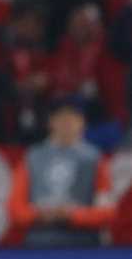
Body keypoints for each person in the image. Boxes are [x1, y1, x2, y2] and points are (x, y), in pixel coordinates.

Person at [8, 96, 117, 247]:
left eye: (72, 118)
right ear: (50, 122)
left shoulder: (94, 159)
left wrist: (72, 215)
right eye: (61, 118)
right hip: (39, 243)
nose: (66, 123)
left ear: (82, 122)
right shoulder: (32, 158)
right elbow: (15, 208)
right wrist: (39, 215)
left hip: (83, 245)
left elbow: (107, 212)